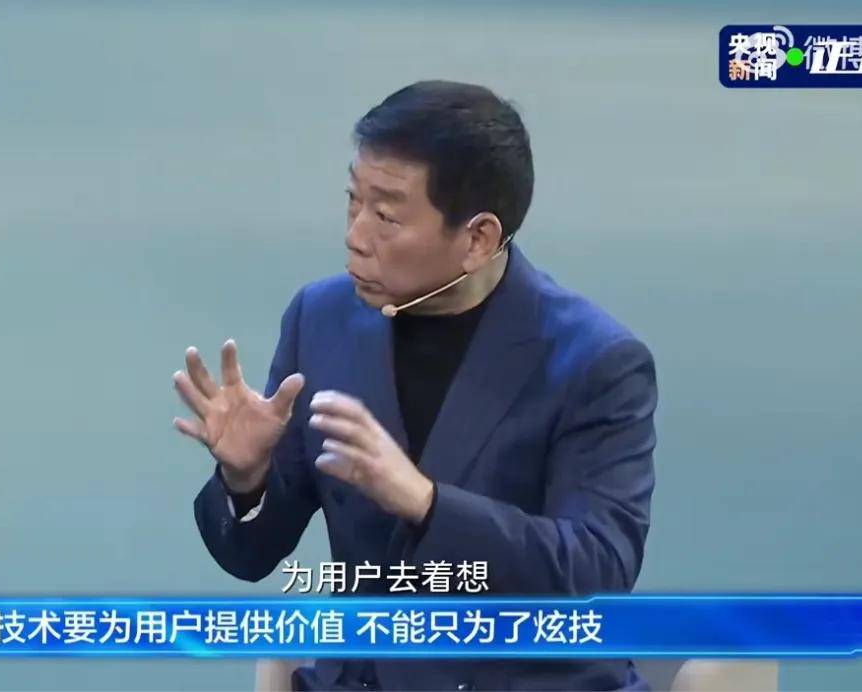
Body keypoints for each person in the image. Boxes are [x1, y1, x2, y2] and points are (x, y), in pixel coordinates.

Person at [174, 80, 657, 691]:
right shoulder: (321, 319)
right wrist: (245, 479)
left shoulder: (595, 362)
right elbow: (250, 556)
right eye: (353, 202)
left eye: (385, 215)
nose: (355, 235)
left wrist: (428, 504)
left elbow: (598, 572)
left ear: (478, 239)